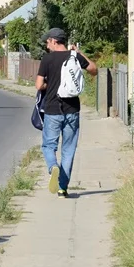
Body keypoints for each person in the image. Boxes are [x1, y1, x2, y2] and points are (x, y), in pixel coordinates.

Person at [35, 28, 98, 198]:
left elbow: (39, 85)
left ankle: (52, 167)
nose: (47, 46)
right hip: (72, 110)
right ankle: (62, 188)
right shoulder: (74, 57)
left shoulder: (47, 59)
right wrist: (78, 52)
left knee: (49, 145)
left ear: (54, 41)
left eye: (48, 42)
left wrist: (50, 85)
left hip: (53, 109)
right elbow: (94, 69)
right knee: (68, 149)